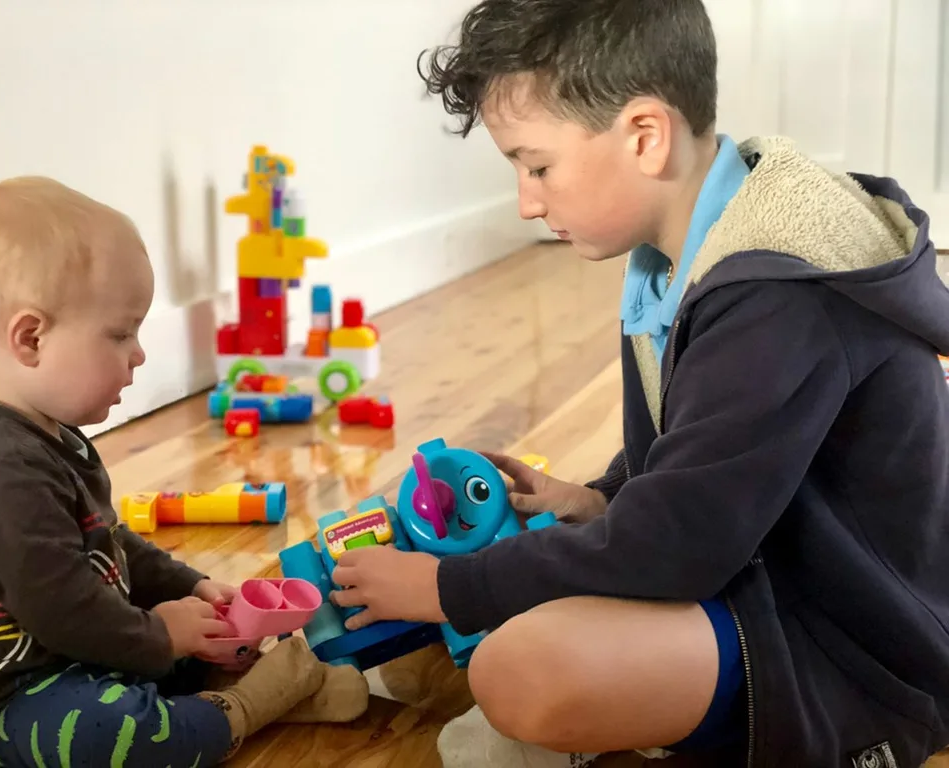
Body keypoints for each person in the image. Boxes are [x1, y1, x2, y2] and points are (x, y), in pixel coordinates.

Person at [327, 1, 949, 766]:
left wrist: (451, 588)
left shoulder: (773, 292)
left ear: (646, 137)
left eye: (537, 165)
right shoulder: (676, 256)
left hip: (852, 649)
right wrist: (599, 498)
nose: (527, 199)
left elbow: (681, 544)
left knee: (518, 671)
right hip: (757, 571)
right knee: (487, 611)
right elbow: (712, 460)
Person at [0, 177, 369, 767]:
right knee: (102, 728)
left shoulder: (46, 437)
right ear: (31, 338)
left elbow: (107, 543)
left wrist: (186, 590)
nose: (138, 354)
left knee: (194, 639)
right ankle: (246, 707)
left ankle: (216, 690)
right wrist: (160, 635)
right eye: (120, 334)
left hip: (70, 656)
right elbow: (64, 609)